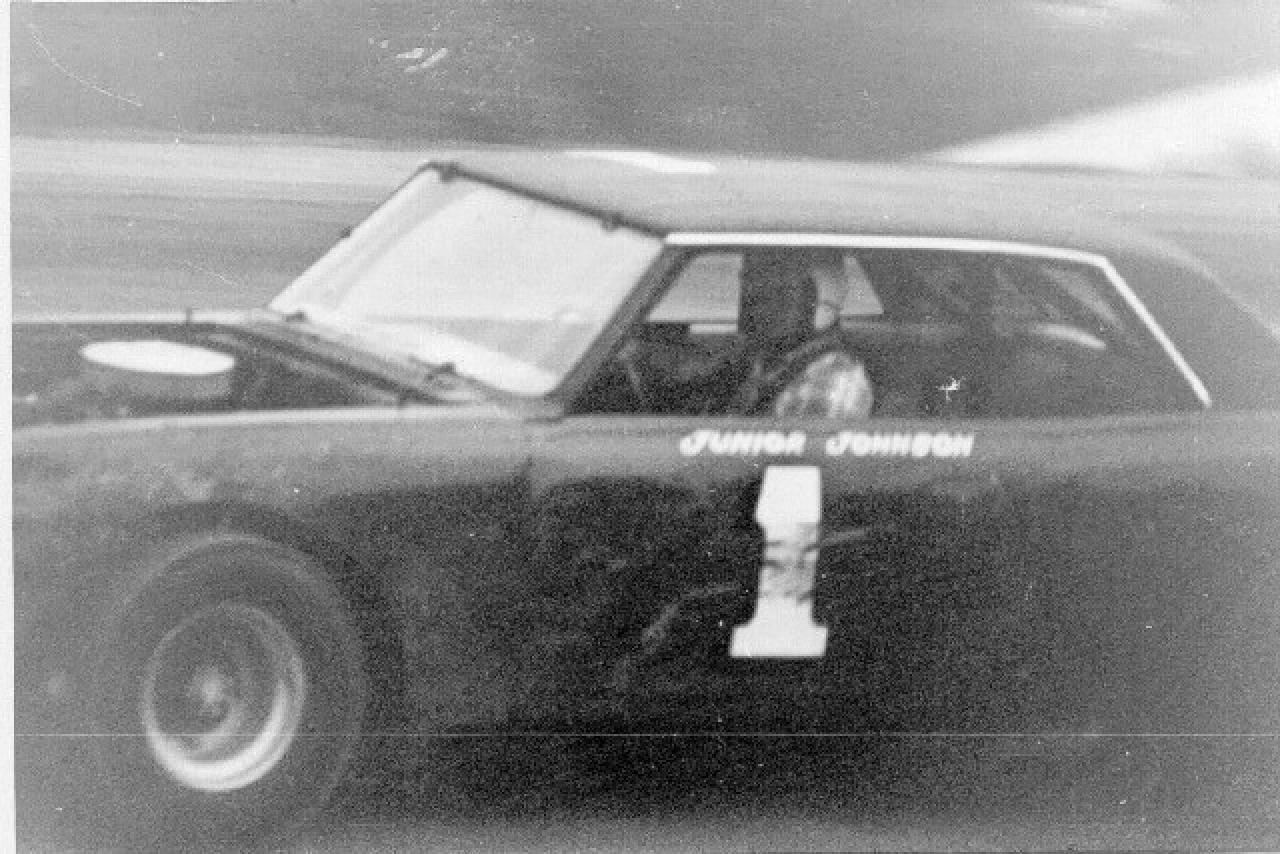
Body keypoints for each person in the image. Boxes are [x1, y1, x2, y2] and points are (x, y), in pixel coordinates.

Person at [622, 249, 874, 416]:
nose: (754, 297)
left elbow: (784, 463)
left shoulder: (832, 378)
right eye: (750, 281)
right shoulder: (757, 357)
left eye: (775, 286)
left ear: (821, 299)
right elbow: (688, 376)